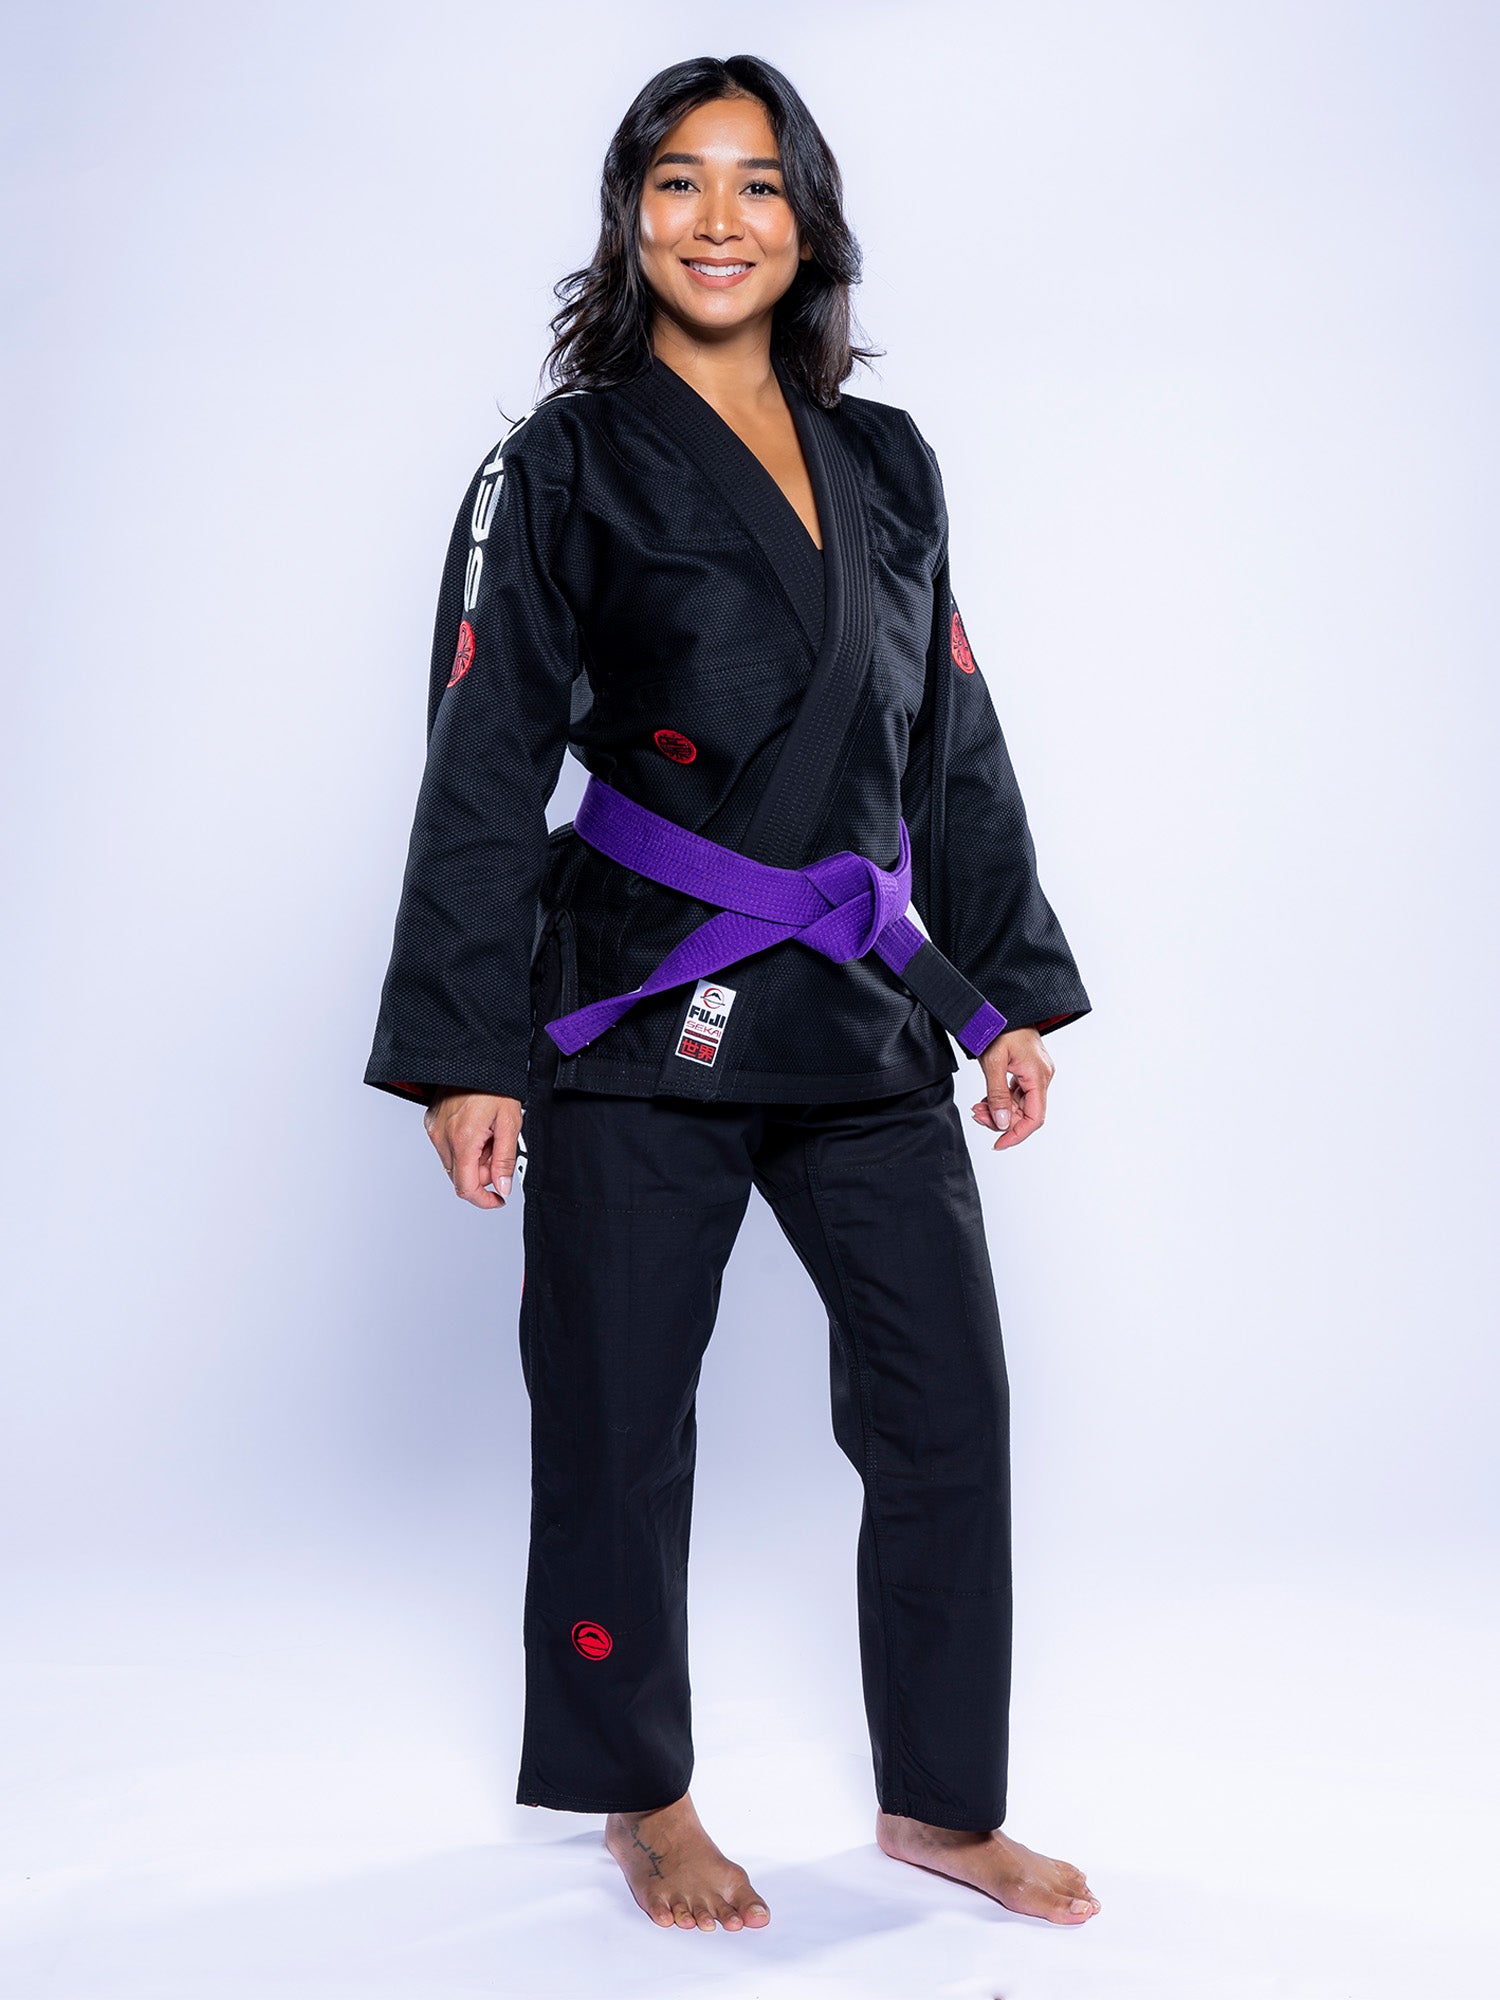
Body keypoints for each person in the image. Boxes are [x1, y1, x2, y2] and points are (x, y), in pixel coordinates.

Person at [365, 53, 1099, 1935]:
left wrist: (996, 994)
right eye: (679, 183)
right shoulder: (559, 465)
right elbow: (481, 756)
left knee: (945, 1411)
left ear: (807, 223)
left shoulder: (888, 461)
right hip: (630, 1015)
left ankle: (941, 1803)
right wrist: (468, 1048)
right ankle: (643, 1797)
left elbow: (955, 734)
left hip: (858, 1018)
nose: (718, 220)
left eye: (758, 186)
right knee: (619, 1420)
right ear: (631, 216)